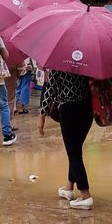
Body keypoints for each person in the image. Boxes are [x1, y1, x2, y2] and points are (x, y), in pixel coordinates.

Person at [40, 69, 94, 209]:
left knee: (73, 153)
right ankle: (69, 187)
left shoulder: (58, 65)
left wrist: (42, 117)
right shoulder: (87, 61)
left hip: (68, 110)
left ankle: (85, 194)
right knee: (76, 150)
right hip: (87, 109)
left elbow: (49, 90)